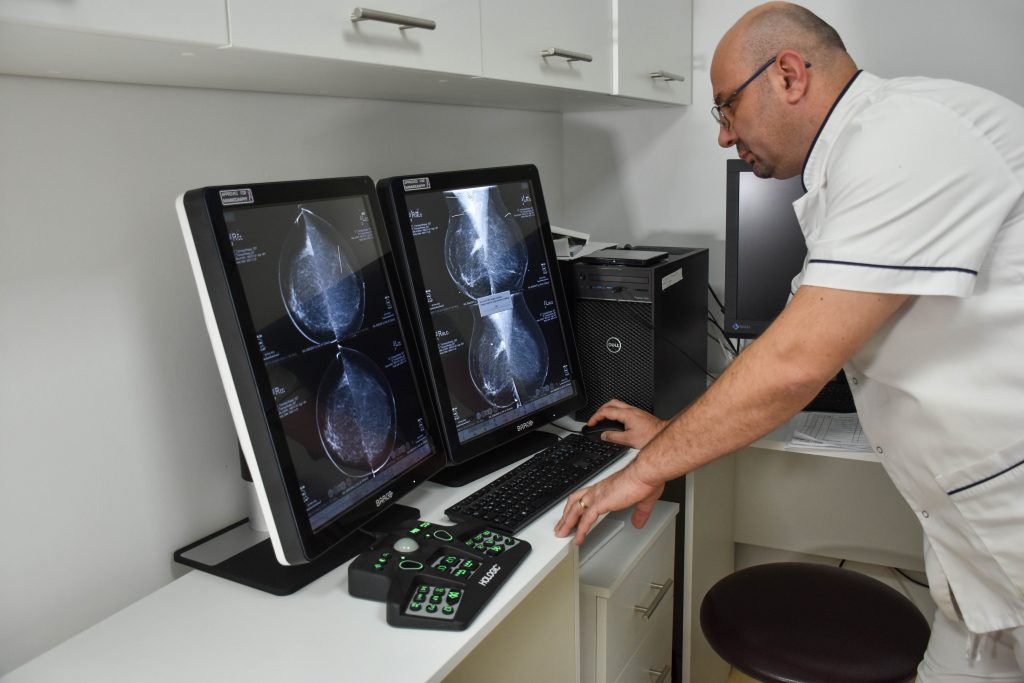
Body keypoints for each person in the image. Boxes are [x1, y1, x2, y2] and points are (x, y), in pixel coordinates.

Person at [554, 2, 1024, 679]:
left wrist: (649, 466)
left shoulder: (907, 135)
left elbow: (794, 365)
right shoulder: (850, 168)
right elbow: (790, 344)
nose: (724, 136)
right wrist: (671, 432)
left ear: (789, 74)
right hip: (974, 552)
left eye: (726, 108)